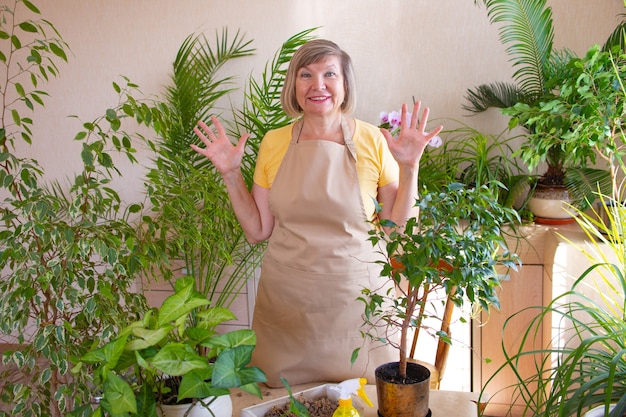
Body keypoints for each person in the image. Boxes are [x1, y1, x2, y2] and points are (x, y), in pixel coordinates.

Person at [191, 39, 443, 387]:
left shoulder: (373, 140)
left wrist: (410, 166)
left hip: (358, 305)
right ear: (294, 86)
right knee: (283, 401)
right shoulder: (274, 142)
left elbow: (395, 230)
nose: (317, 85)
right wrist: (230, 175)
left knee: (364, 399)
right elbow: (258, 230)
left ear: (345, 85)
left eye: (329, 74)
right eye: (306, 75)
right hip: (287, 309)